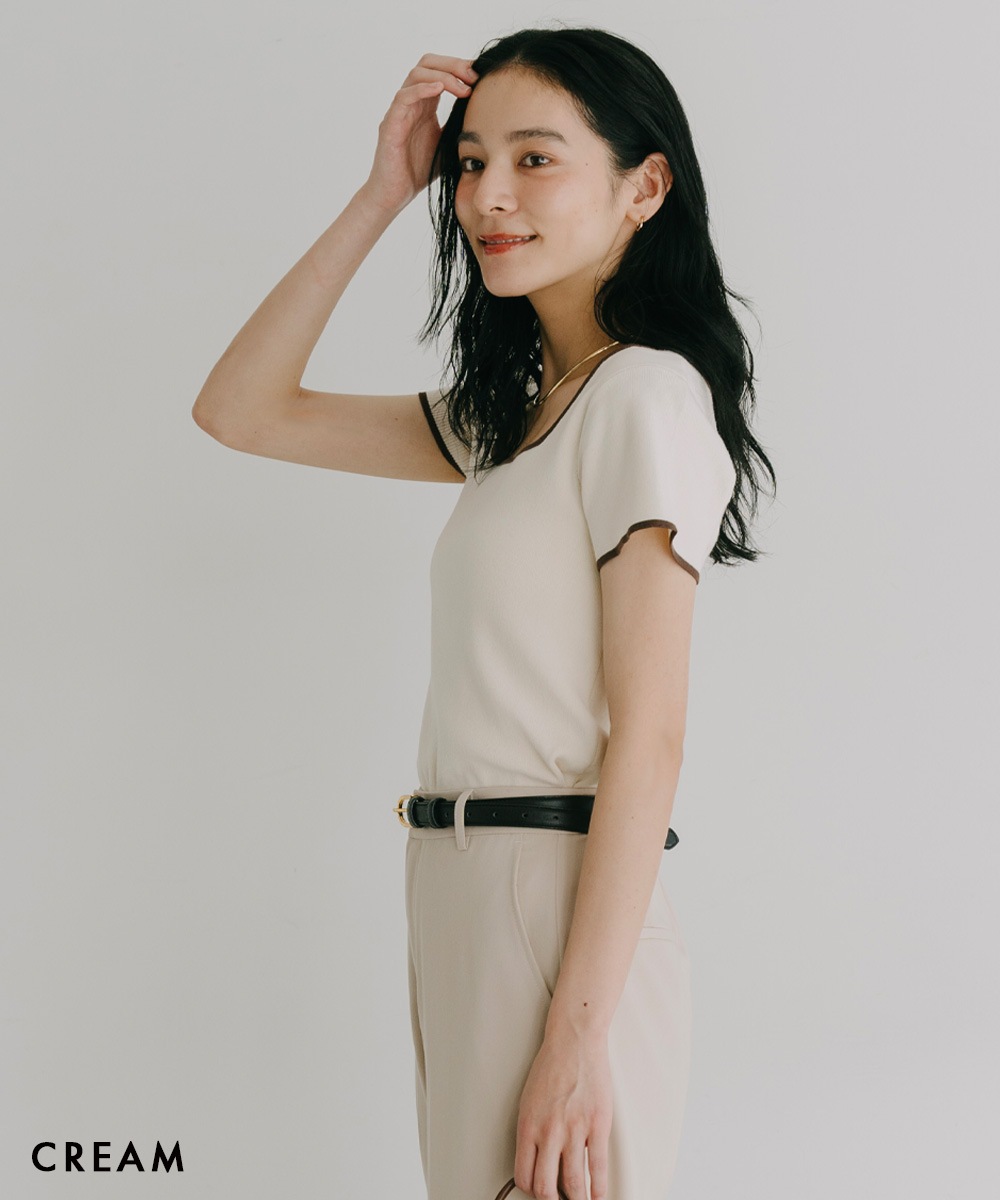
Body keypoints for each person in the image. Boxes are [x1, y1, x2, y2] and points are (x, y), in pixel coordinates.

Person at [192, 24, 775, 1200]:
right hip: (459, 889)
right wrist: (381, 192)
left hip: (549, 904)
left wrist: (576, 1040)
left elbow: (651, 738)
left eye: (535, 159)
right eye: (468, 163)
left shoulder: (643, 395)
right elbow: (241, 410)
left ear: (644, 186)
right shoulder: (508, 416)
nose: (487, 196)